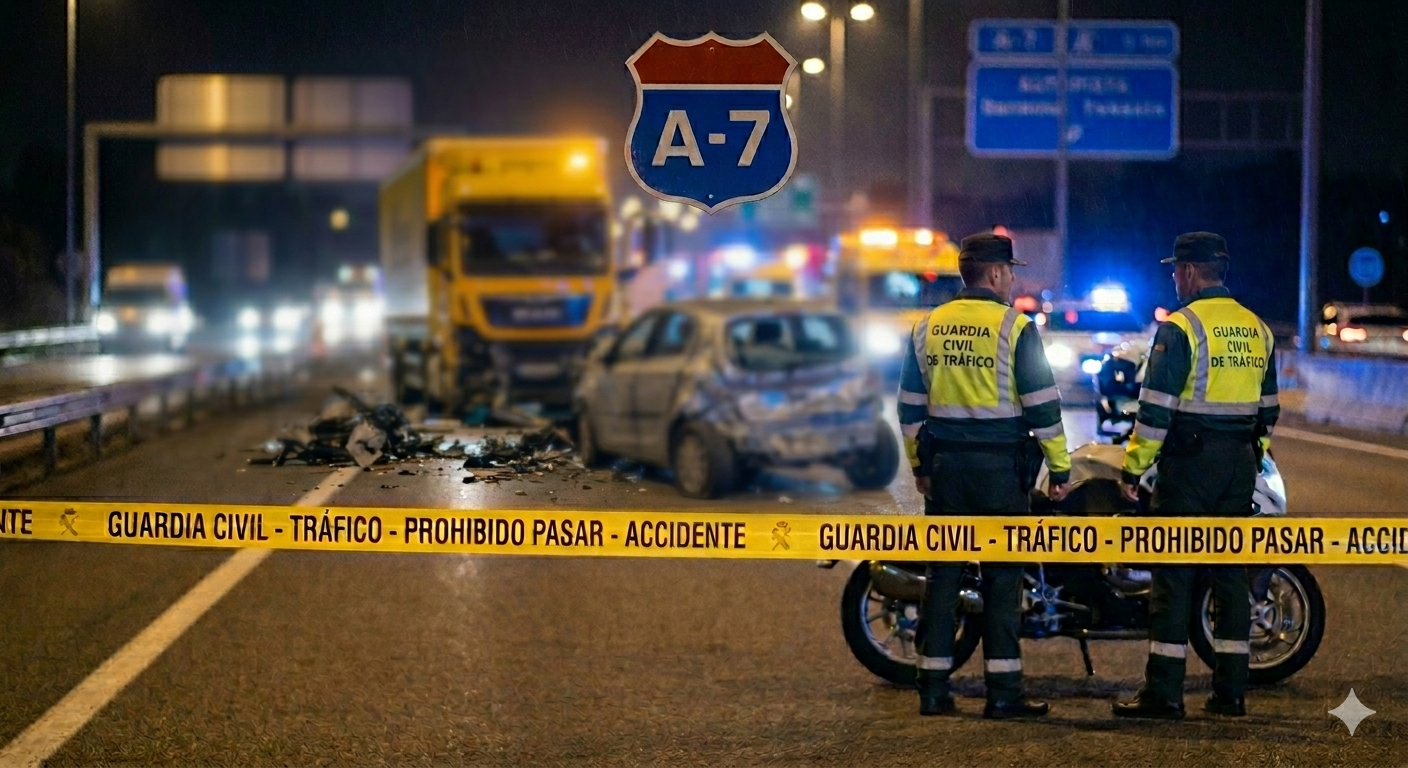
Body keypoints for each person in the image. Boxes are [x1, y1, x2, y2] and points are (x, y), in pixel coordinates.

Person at [897, 232, 1072, 719]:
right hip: (1001, 473)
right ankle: (1004, 693)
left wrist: (920, 466)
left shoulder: (927, 327)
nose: (1013, 278)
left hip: (947, 470)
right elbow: (1042, 408)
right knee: (1001, 579)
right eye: (1010, 271)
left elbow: (909, 409)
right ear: (994, 274)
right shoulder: (1015, 328)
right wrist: (1059, 467)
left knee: (943, 577)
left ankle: (932, 688)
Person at [1112, 232, 1280, 720]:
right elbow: (1268, 410)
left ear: (1188, 272)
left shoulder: (1180, 327)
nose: (1173, 278)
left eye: (1175, 270)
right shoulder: (1257, 328)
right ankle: (1231, 692)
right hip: (1239, 462)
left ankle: (1164, 693)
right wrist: (1251, 452)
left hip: (1189, 464)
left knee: (1174, 574)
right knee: (1229, 573)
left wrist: (1134, 466)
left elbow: (1156, 410)